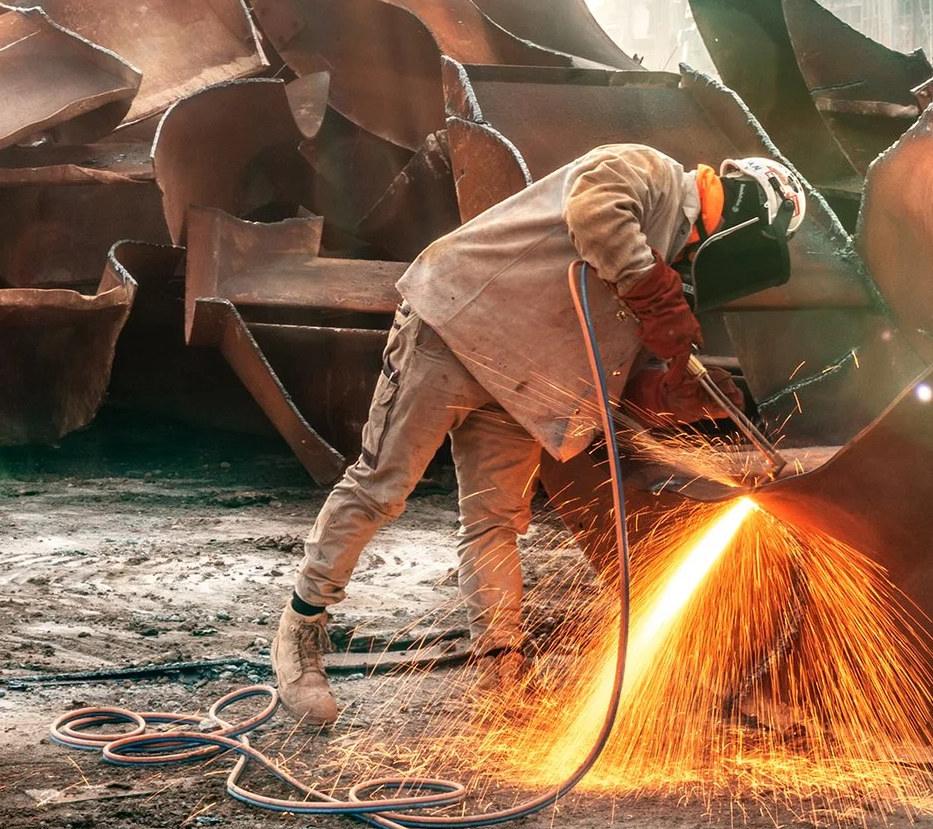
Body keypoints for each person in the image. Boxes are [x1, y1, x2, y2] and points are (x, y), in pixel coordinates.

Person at [273, 143, 807, 726]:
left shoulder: (677, 263)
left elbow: (609, 366)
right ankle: (301, 633)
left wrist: (664, 396)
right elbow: (595, 213)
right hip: (454, 325)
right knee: (382, 488)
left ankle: (501, 668)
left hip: (523, 386)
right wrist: (654, 294)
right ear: (746, 217)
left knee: (496, 522)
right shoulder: (647, 171)